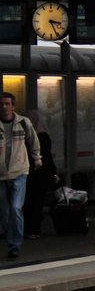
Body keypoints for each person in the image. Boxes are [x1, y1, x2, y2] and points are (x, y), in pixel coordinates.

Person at [0, 92, 43, 258]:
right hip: (1, 174)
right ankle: (11, 239)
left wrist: (37, 158)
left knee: (15, 207)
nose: (4, 107)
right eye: (1, 104)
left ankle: (15, 245)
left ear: (13, 106)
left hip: (19, 171)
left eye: (7, 104)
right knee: (4, 212)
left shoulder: (23, 123)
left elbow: (34, 141)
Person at [22, 110, 58, 239]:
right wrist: (53, 172)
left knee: (27, 202)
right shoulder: (43, 136)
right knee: (37, 202)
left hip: (26, 172)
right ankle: (34, 229)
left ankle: (25, 228)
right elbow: (47, 158)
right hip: (40, 174)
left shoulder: (24, 136)